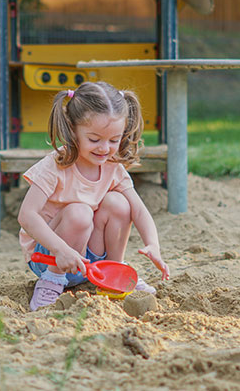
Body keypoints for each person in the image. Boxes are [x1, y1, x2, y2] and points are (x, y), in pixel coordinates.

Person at [17, 81, 170, 311]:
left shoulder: (113, 166)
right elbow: (27, 216)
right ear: (72, 128)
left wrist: (153, 245)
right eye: (94, 139)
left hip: (89, 260)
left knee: (119, 202)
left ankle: (114, 271)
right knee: (79, 213)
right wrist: (60, 250)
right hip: (50, 256)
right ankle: (52, 281)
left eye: (114, 140)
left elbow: (139, 209)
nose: (105, 148)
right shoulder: (55, 165)